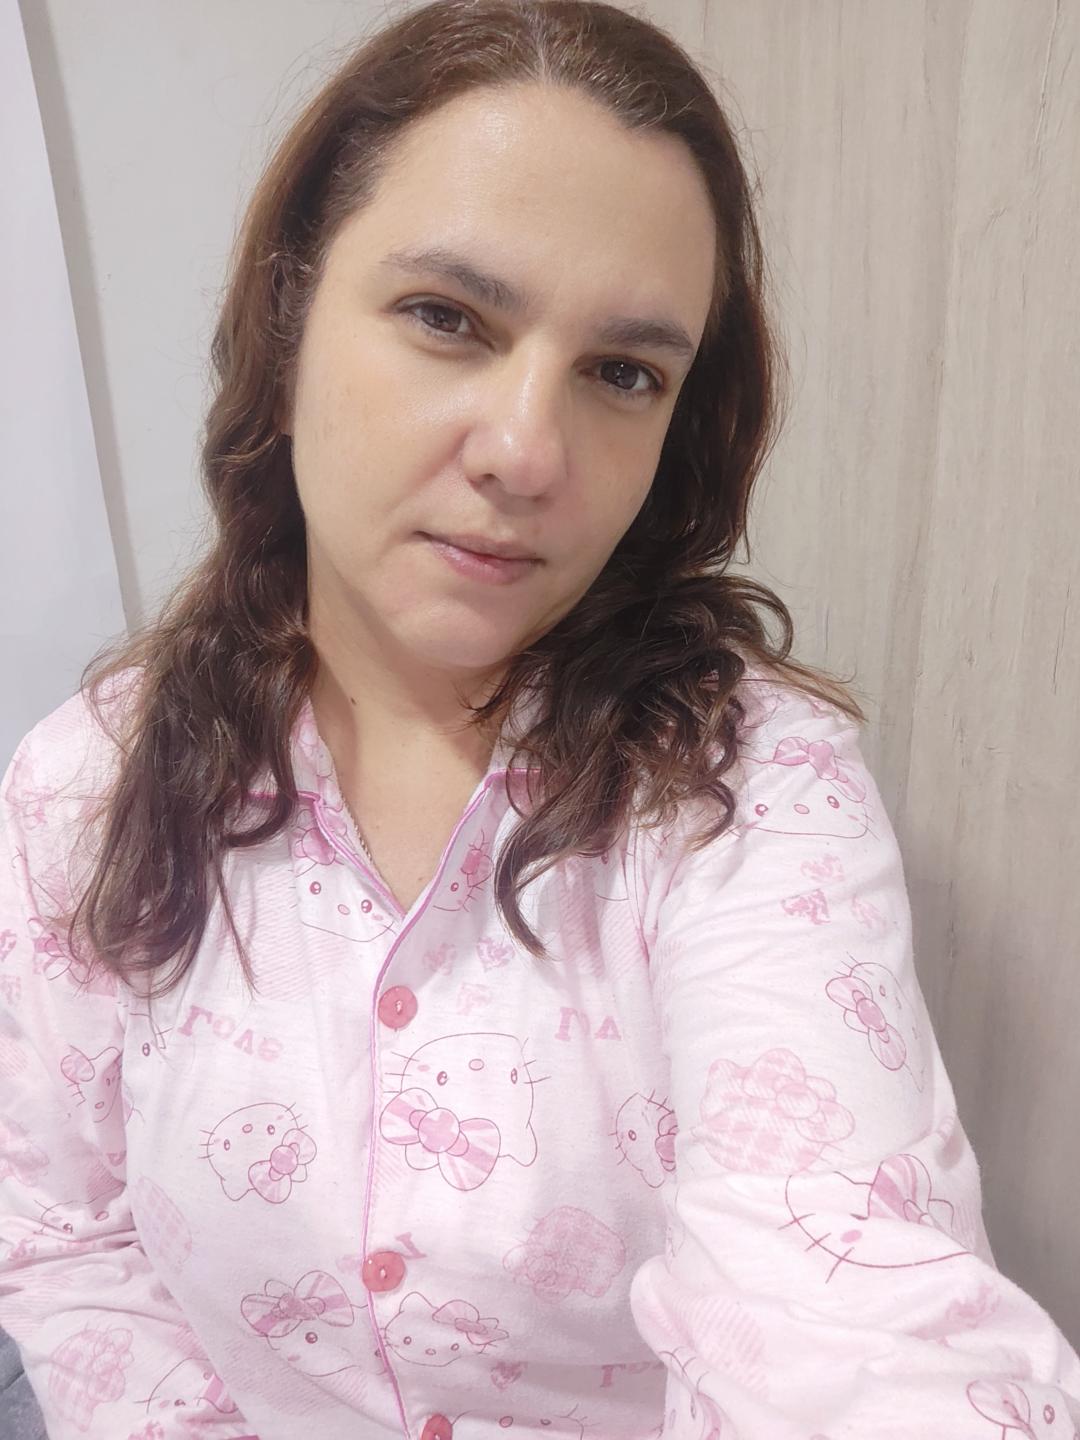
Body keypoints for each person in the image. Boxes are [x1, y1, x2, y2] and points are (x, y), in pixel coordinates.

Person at [2, 1, 1078, 1436]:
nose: (525, 453)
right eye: (447, 318)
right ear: (288, 319)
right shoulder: (85, 788)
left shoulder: (750, 795)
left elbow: (849, 1295)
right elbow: (66, 1240)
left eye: (623, 374)